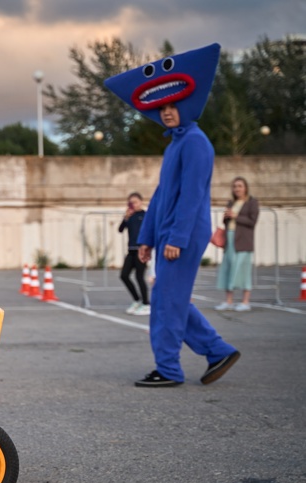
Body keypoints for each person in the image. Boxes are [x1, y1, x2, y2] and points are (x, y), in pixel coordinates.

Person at [105, 43, 239, 387]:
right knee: (171, 297)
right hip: (168, 234)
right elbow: (162, 196)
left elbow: (192, 197)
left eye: (173, 105)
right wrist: (146, 239)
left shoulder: (195, 142)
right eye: (162, 107)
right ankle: (217, 350)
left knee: (166, 302)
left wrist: (177, 239)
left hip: (185, 234)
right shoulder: (176, 142)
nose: (167, 112)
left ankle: (168, 369)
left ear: (188, 104)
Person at [215, 177, 260, 312]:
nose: (237, 189)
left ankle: (245, 302)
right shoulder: (231, 202)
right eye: (235, 186)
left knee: (243, 270)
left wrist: (235, 216)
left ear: (245, 188)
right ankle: (229, 301)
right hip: (230, 239)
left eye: (240, 186)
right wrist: (226, 217)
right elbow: (227, 222)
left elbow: (252, 221)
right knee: (228, 269)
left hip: (244, 241)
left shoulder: (252, 203)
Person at [118, 192, 150, 316]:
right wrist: (125, 218)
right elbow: (120, 230)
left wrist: (147, 247)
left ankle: (146, 303)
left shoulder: (145, 215)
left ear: (141, 202)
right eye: (131, 203)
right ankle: (137, 300)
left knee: (139, 277)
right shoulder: (130, 216)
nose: (134, 205)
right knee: (124, 275)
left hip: (141, 250)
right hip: (131, 250)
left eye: (135, 202)